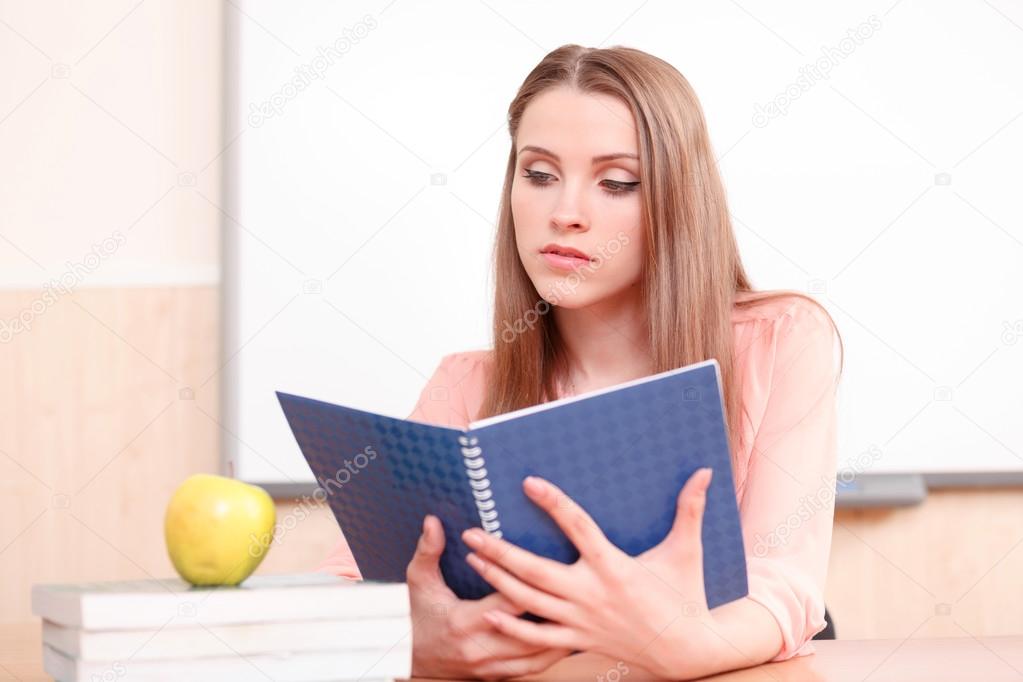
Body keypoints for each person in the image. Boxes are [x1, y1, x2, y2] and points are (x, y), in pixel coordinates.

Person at [317, 43, 844, 680]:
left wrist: (673, 641)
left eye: (617, 183)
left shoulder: (781, 339)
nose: (565, 214)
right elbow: (345, 591)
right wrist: (414, 643)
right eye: (538, 175)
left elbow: (784, 585)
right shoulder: (464, 385)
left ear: (676, 203)